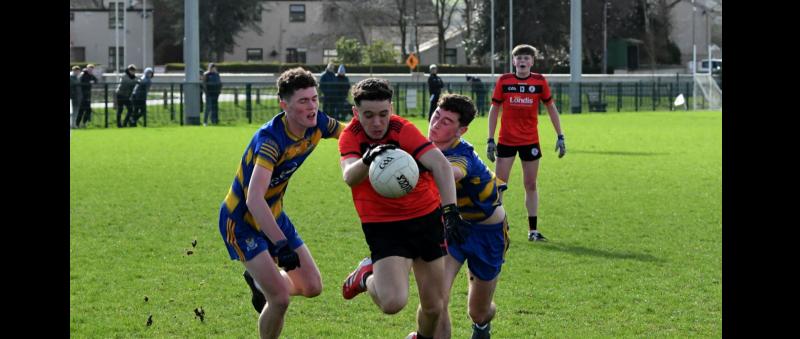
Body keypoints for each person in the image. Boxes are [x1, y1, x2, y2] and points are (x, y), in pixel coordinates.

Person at [337, 78, 471, 339]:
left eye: (383, 114)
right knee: (392, 302)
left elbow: (441, 165)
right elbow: (349, 176)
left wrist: (450, 212)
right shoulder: (350, 135)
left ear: (391, 108)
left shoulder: (402, 128)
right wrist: (368, 158)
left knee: (434, 307)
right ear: (356, 113)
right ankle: (365, 276)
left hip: (426, 218)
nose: (377, 122)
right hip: (383, 225)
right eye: (368, 115)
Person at [217, 67, 344, 339]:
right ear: (284, 105)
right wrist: (281, 244)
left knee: (312, 286)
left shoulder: (319, 123)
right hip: (241, 221)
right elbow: (254, 198)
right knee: (280, 299)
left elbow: (349, 135)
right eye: (303, 101)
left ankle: (260, 283)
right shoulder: (271, 141)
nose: (312, 106)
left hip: (273, 214)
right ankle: (269, 289)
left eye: (314, 99)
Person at [427, 94, 509, 339]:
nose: (435, 124)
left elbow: (451, 172)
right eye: (436, 116)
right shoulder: (425, 147)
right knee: (436, 298)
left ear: (460, 130)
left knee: (478, 312)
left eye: (446, 122)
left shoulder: (462, 154)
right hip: (453, 227)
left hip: (488, 234)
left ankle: (482, 326)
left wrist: (411, 167)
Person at [486, 44, 566, 242]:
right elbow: (494, 109)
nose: (522, 61)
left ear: (532, 62)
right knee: (499, 185)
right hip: (506, 140)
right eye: (519, 57)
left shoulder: (539, 81)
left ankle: (533, 231)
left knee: (530, 184)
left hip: (530, 140)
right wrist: (490, 139)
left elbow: (551, 107)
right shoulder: (504, 81)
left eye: (526, 58)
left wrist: (560, 135)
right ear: (514, 61)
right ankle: (496, 228)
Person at [77, 64, 98, 128]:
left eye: (92, 70)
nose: (91, 71)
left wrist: (92, 81)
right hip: (82, 96)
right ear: (87, 69)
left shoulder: (91, 75)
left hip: (87, 96)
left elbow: (96, 80)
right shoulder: (82, 75)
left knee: (88, 110)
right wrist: (89, 82)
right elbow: (81, 84)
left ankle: (83, 123)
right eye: (90, 69)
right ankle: (78, 124)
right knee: (81, 110)